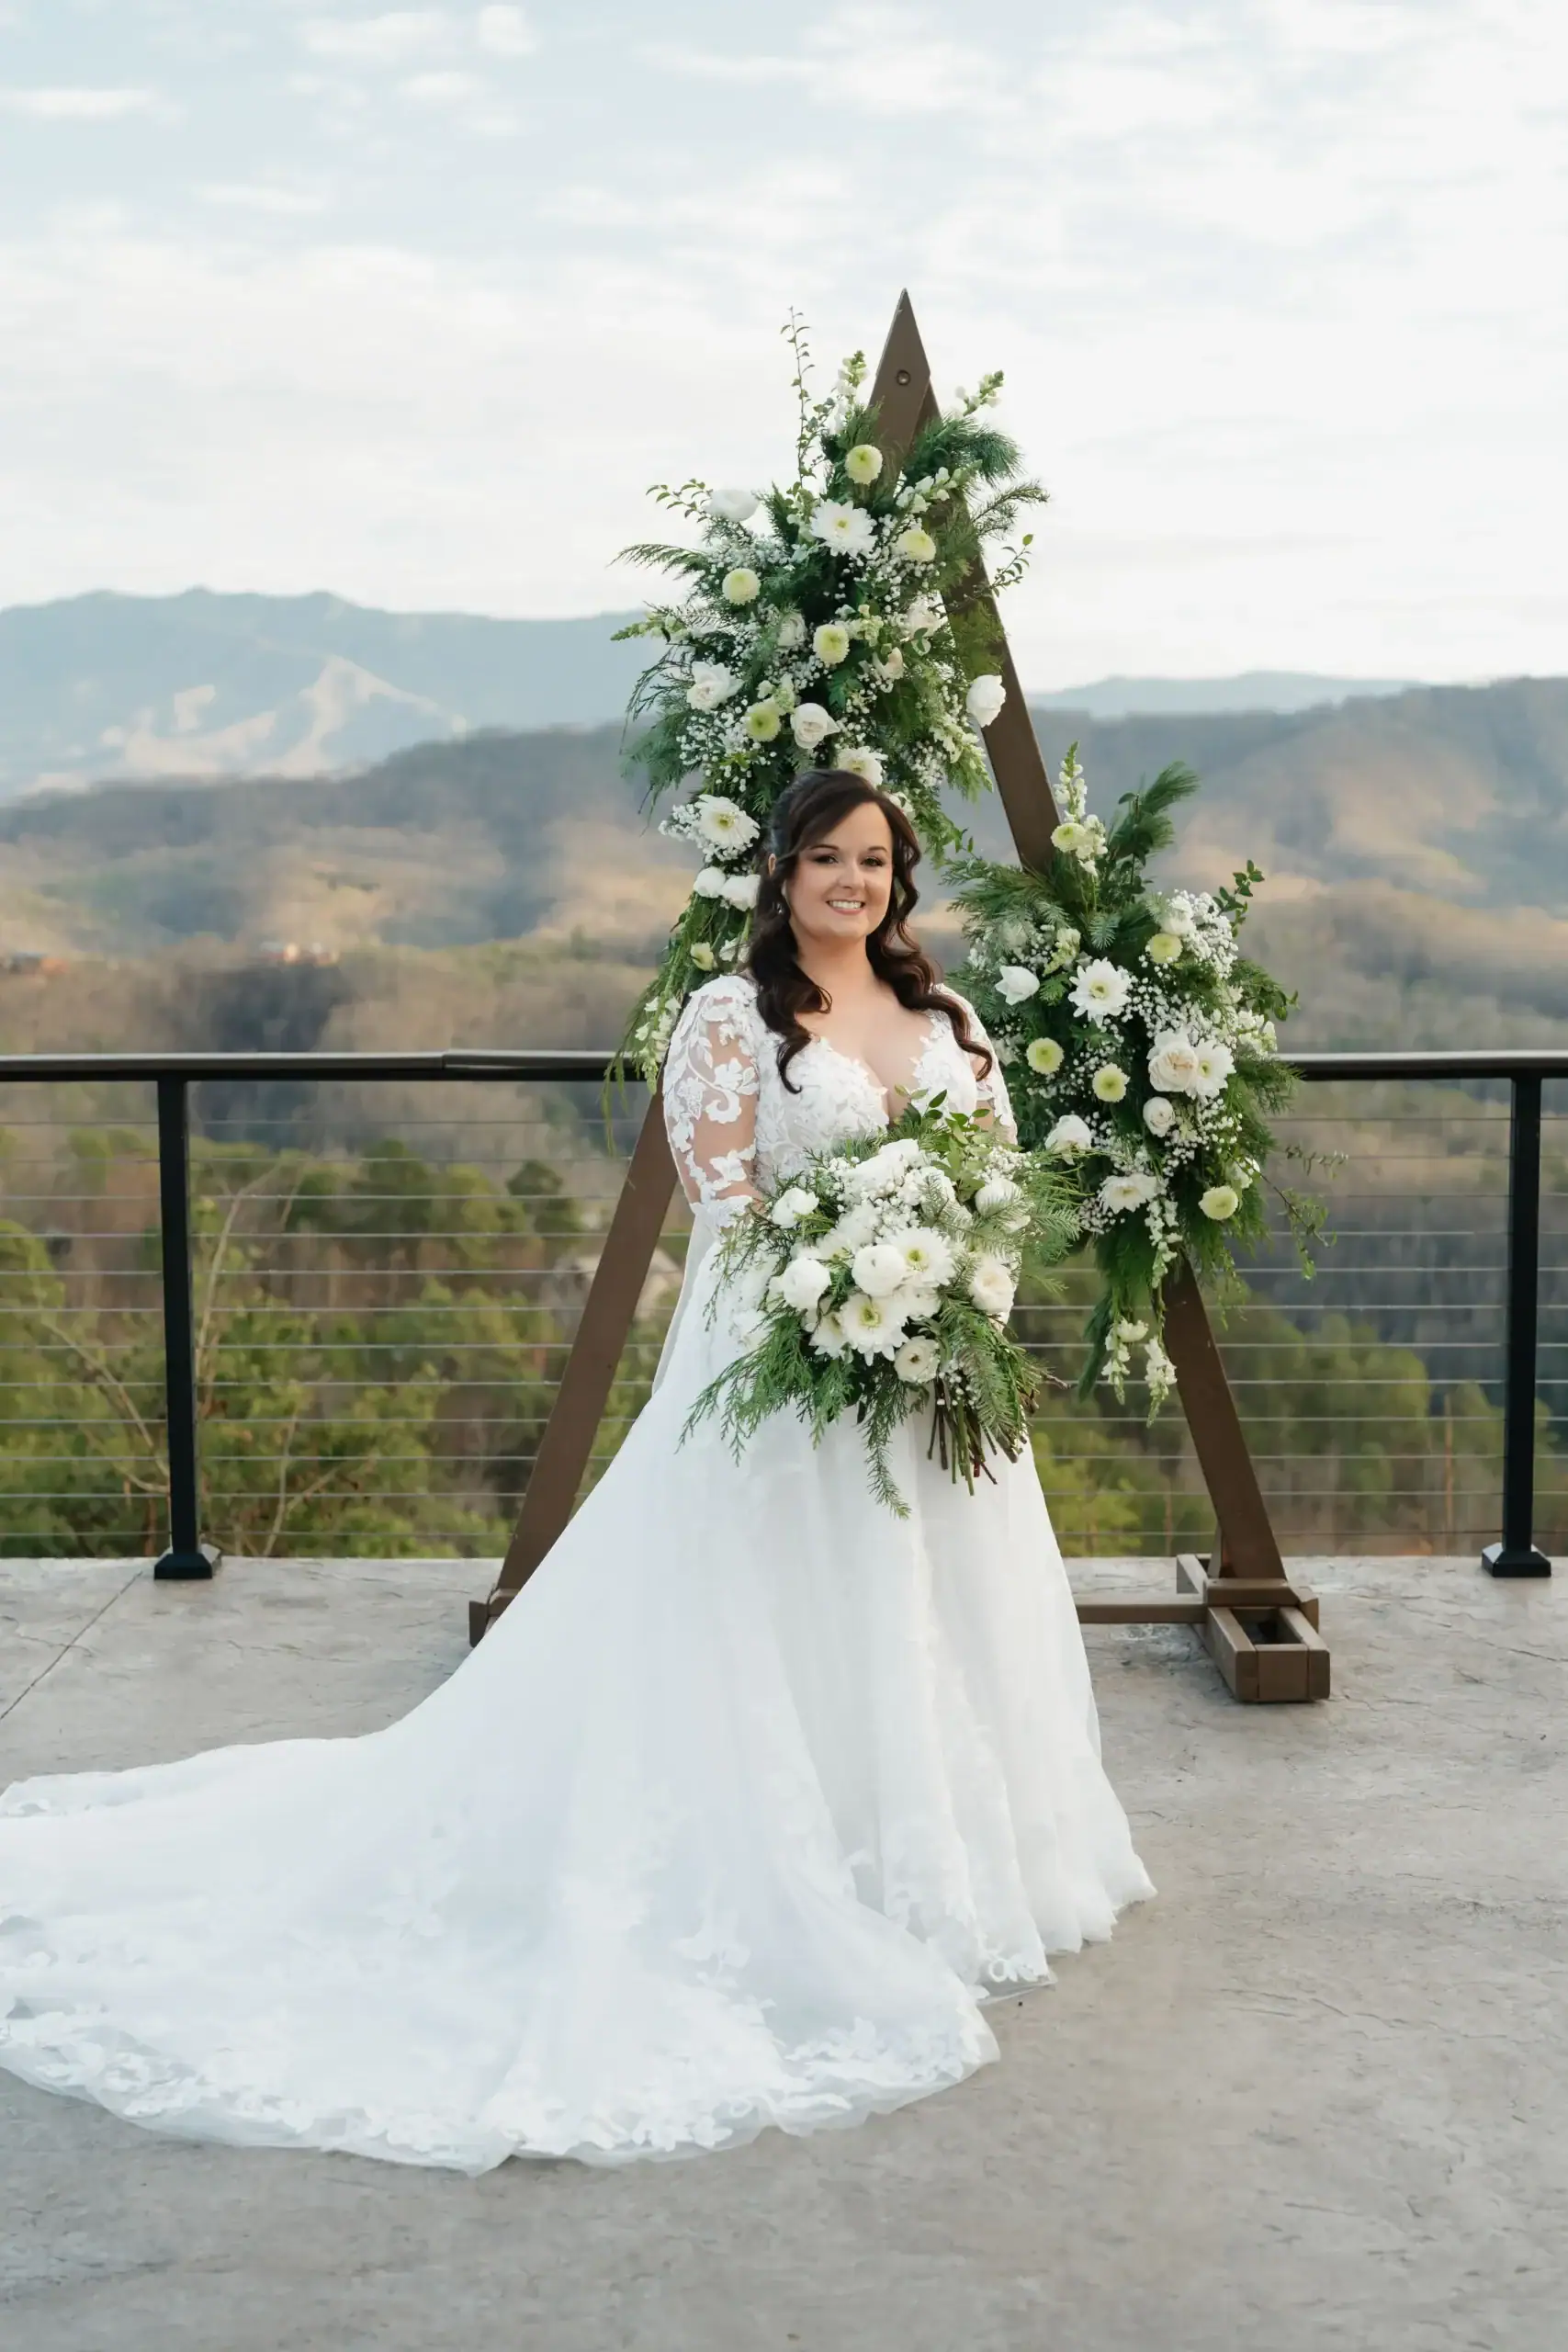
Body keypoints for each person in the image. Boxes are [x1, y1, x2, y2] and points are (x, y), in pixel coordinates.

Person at [0, 769, 1151, 2174]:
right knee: (766, 1623)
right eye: (828, 858)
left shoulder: (946, 1019)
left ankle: (923, 1870)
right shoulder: (731, 1018)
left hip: (931, 1380)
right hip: (787, 1365)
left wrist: (948, 1298)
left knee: (925, 1611)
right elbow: (725, 1202)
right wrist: (843, 1287)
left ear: (899, 878)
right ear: (778, 873)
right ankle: (775, 1879)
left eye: (878, 860)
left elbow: (996, 1185)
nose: (855, 881)